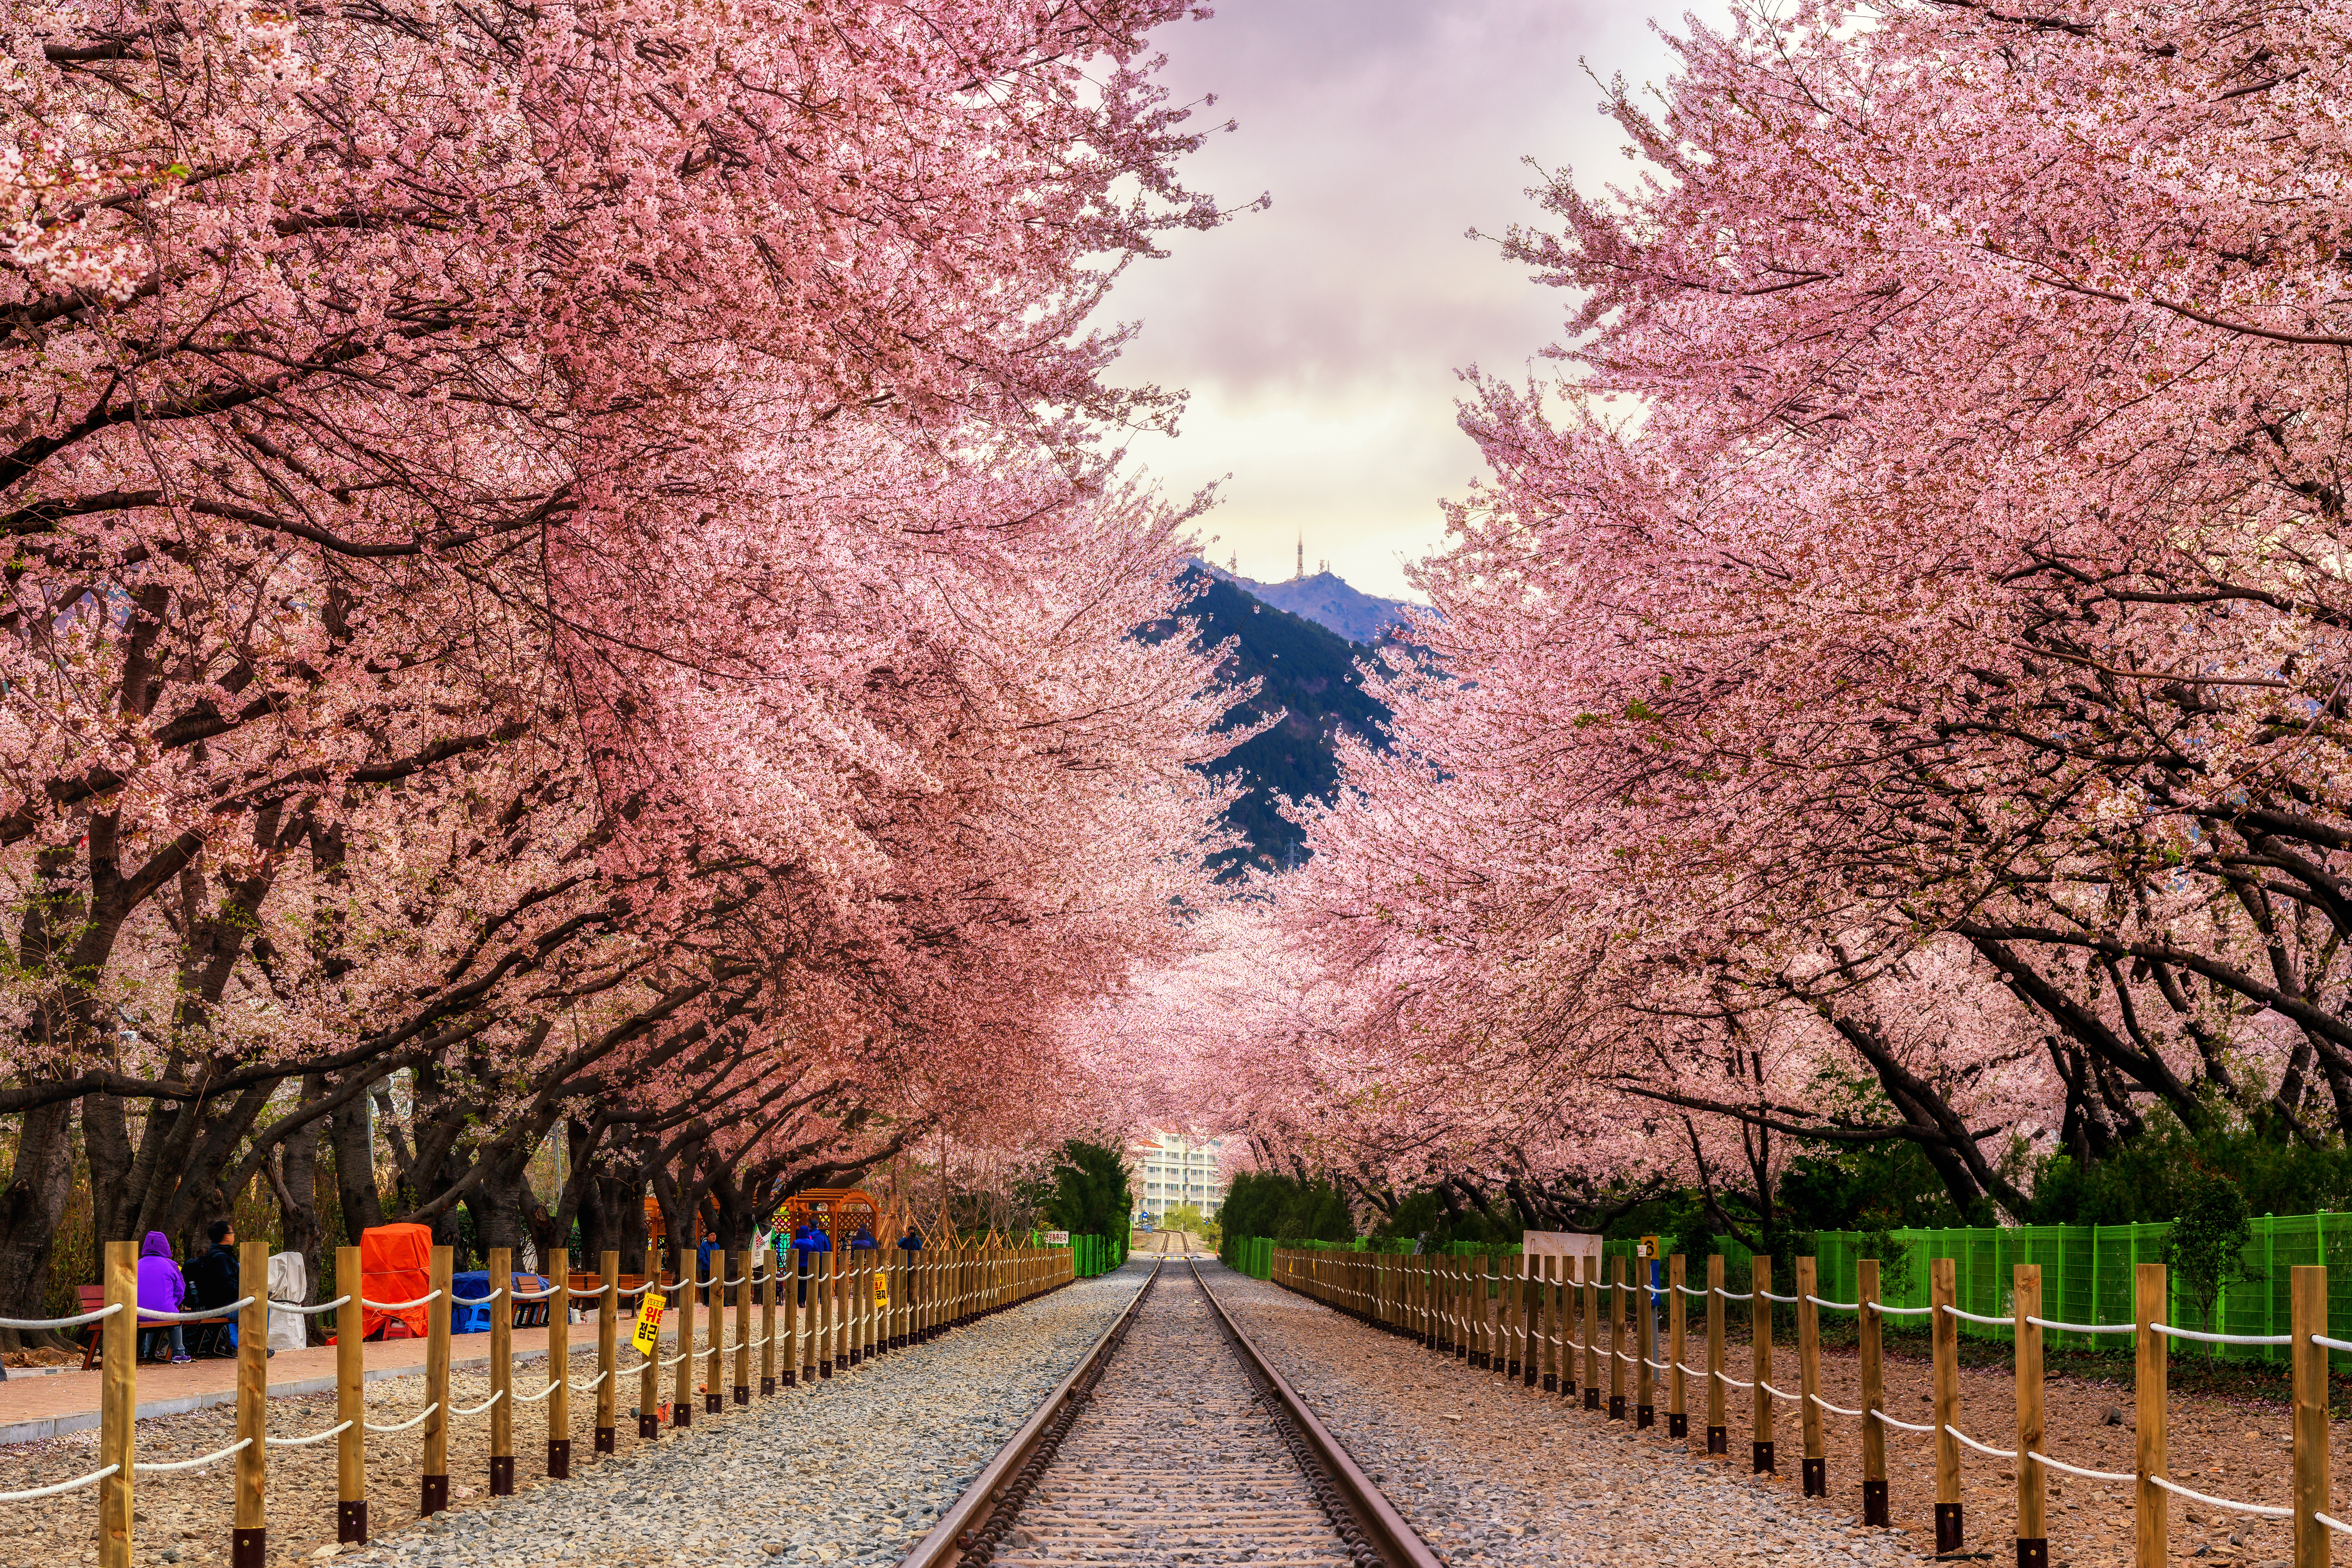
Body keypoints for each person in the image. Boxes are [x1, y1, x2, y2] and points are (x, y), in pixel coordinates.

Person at [137, 1231, 193, 1364]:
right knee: (175, 1320)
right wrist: (174, 1304)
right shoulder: (171, 1265)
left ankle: (148, 1353)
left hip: (137, 1313)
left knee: (150, 1318)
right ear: (165, 1246)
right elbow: (180, 1290)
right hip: (164, 1312)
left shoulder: (136, 1264)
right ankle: (178, 1353)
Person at [190, 1220, 240, 1357]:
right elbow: (229, 1288)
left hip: (213, 1306)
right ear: (226, 1237)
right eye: (232, 1233)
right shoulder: (222, 1259)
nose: (233, 1236)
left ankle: (237, 1345)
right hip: (222, 1308)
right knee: (260, 1306)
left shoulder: (214, 1255)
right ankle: (257, 1346)